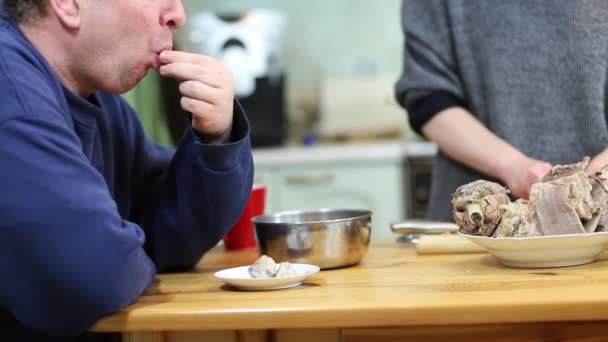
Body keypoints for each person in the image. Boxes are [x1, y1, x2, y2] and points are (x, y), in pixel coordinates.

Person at [0, 0, 254, 340]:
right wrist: (119, 251)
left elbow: (171, 235)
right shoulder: (11, 94)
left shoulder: (100, 102)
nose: (178, 15)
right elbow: (94, 276)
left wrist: (216, 137)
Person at [395, 0, 608, 221]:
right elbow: (428, 97)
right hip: (474, 227)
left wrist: (601, 172)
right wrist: (512, 166)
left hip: (601, 223)